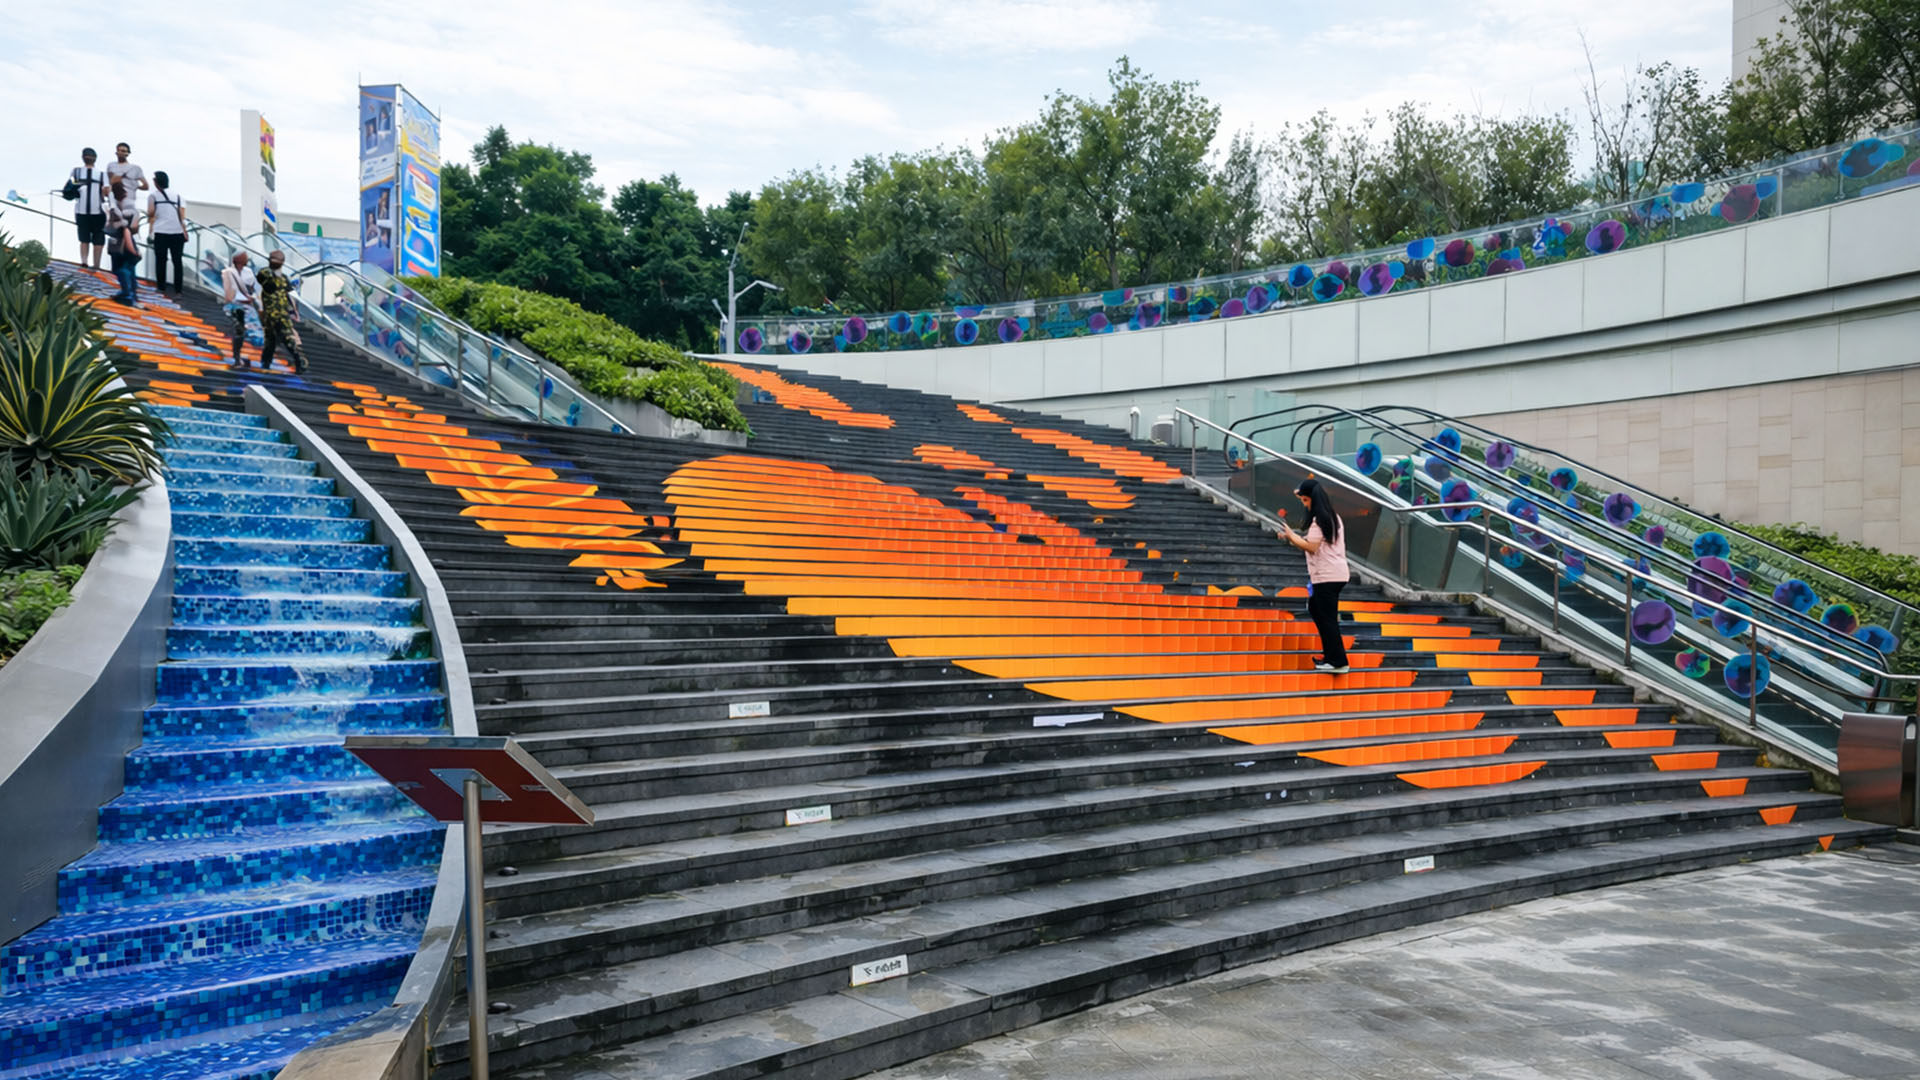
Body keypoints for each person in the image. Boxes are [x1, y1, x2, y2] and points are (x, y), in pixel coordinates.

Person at [1280, 477, 1351, 674]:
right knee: (1318, 610)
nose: (1304, 504)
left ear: (1313, 499)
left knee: (1326, 617)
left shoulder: (1319, 520)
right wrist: (1293, 537)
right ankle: (1331, 657)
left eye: (1305, 500)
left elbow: (1312, 547)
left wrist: (1291, 536)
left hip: (1327, 575)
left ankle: (1338, 660)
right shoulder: (1332, 517)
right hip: (1334, 574)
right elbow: (1318, 543)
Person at [255, 249, 307, 373]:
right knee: (271, 340)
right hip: (271, 313)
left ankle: (300, 361)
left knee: (286, 338)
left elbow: (288, 294)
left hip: (281, 313)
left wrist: (294, 311)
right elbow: (262, 278)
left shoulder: (284, 278)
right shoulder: (266, 273)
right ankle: (266, 363)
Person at [147, 171, 188, 296]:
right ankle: (178, 289)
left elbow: (150, 212)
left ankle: (161, 286)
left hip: (161, 231)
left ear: (156, 182)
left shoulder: (153, 196)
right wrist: (184, 230)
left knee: (161, 260)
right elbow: (182, 216)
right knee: (177, 261)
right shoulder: (178, 196)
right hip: (177, 231)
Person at [69, 148, 107, 270]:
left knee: (92, 238)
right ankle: (89, 263)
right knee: (89, 237)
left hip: (93, 211)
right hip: (85, 210)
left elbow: (106, 190)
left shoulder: (100, 174)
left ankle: (91, 263)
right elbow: (69, 187)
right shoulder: (77, 172)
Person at [104, 180, 141, 305]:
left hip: (122, 242)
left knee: (121, 268)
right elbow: (133, 225)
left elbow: (124, 227)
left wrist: (131, 248)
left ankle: (127, 294)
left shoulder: (119, 207)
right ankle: (132, 293)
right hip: (126, 240)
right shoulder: (130, 207)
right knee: (129, 268)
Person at [221, 252, 259, 367]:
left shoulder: (248, 272)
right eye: (244, 257)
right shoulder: (228, 272)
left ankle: (239, 356)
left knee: (245, 332)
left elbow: (254, 288)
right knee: (239, 329)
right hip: (234, 305)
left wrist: (252, 298)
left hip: (246, 305)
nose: (246, 259)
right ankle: (237, 357)